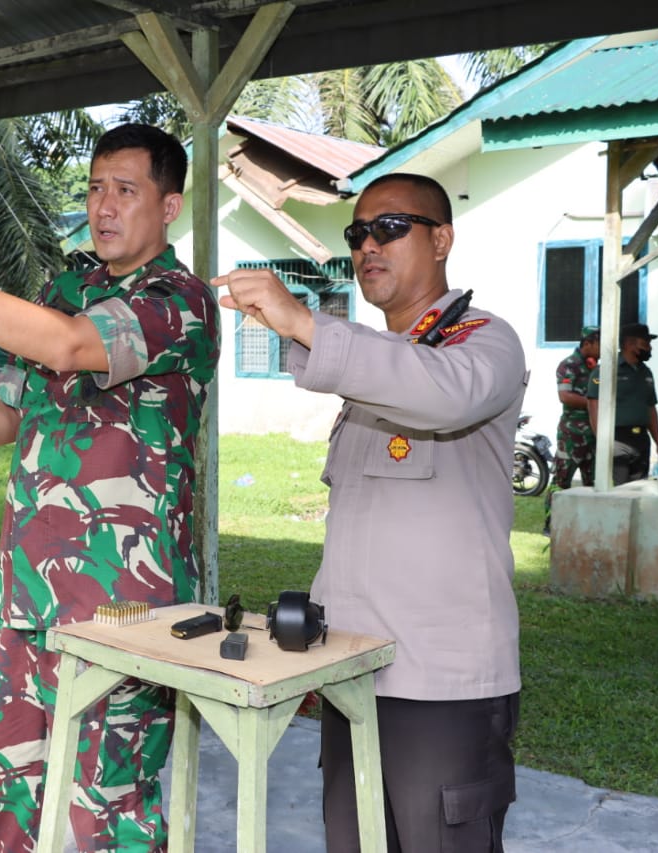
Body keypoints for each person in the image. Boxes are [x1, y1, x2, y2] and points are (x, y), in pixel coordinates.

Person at [0, 123, 220, 851]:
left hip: (127, 603)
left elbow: (68, 346)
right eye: (96, 188)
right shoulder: (66, 287)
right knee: (4, 782)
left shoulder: (180, 301)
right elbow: (5, 410)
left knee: (109, 799)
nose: (104, 205)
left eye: (126, 190)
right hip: (29, 591)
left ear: (169, 206)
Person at [215, 172, 526, 851]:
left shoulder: (484, 342)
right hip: (353, 678)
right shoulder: (370, 369)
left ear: (441, 238)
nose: (367, 246)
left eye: (390, 227)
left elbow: (444, 393)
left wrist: (304, 321)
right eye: (357, 233)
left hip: (441, 688)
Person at [586, 322, 658, 484]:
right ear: (630, 343)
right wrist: (602, 441)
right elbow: (594, 406)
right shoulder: (607, 370)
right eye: (645, 343)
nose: (650, 348)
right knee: (620, 493)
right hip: (617, 440)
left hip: (641, 440)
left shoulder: (646, 372)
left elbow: (651, 408)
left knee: (639, 491)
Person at [544, 325, 600, 535]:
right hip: (571, 434)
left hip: (593, 434)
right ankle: (551, 523)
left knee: (594, 481)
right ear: (587, 343)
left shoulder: (598, 367)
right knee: (561, 480)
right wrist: (593, 403)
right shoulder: (569, 365)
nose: (603, 348)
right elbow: (565, 396)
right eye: (599, 343)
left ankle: (591, 524)